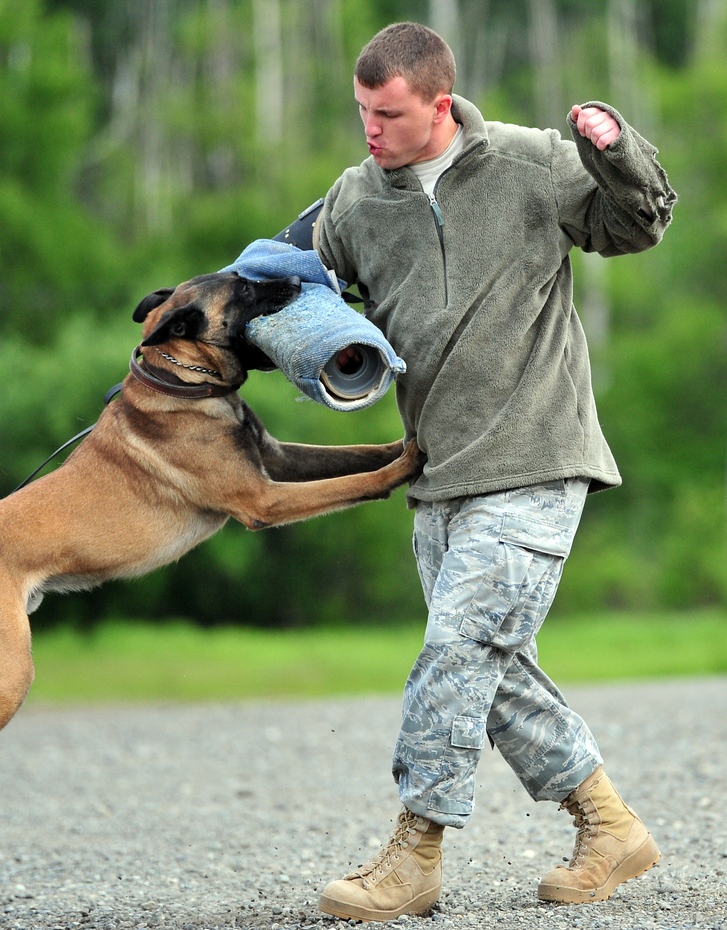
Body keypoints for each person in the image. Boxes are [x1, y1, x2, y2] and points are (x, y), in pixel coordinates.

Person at [307, 22, 676, 921]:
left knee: (457, 648)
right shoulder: (355, 202)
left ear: (438, 103)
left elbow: (639, 223)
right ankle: (610, 826)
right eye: (360, 111)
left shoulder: (531, 166)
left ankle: (416, 853)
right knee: (492, 667)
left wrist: (617, 151)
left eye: (387, 114)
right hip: (437, 476)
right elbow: (298, 288)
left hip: (539, 457)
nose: (370, 130)